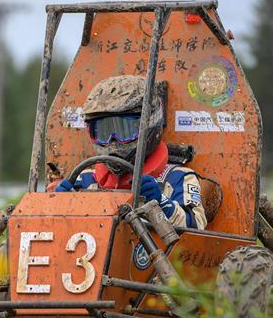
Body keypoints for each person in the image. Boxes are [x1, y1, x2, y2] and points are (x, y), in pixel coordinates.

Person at [54, 75, 207, 230]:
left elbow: (197, 226)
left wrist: (161, 203)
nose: (113, 141)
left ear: (150, 125)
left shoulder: (177, 178)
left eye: (124, 130)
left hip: (155, 253)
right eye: (104, 132)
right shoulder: (83, 181)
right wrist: (56, 208)